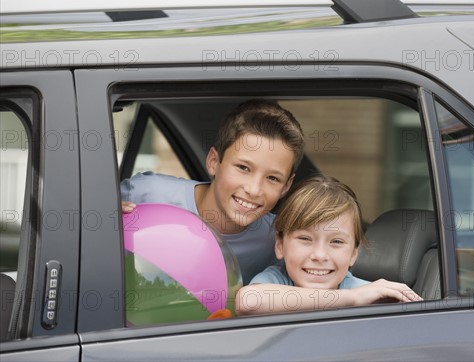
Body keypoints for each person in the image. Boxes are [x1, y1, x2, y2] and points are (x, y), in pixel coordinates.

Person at [120, 99, 304, 284]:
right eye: (243, 168)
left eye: (273, 178)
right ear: (214, 162)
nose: (254, 190)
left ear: (286, 186)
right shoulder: (146, 194)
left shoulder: (276, 239)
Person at [235, 175, 422, 316]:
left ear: (354, 253)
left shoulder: (366, 291)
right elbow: (249, 301)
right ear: (279, 245)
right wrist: (351, 298)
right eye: (305, 239)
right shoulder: (276, 280)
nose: (320, 255)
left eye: (337, 242)